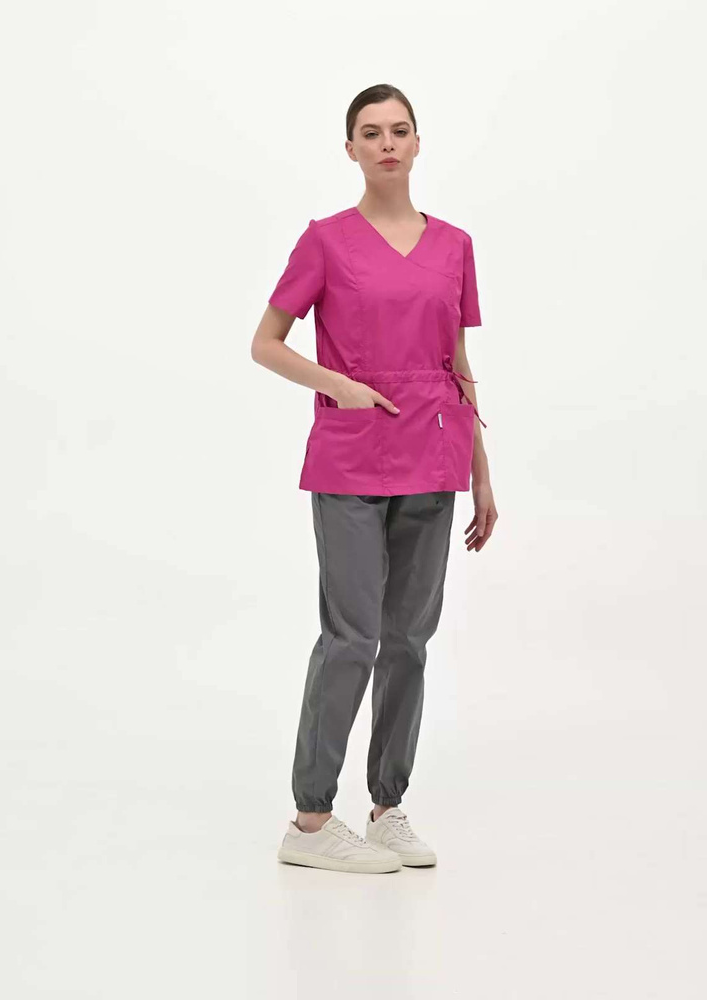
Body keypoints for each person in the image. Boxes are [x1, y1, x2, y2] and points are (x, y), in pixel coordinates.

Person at [251, 84, 498, 874]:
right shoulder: (325, 241)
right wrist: (340, 385)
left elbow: (458, 362)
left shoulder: (454, 245)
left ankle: (388, 808)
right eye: (371, 132)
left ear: (418, 143)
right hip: (352, 455)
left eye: (399, 130)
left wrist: (481, 472)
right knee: (351, 637)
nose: (387, 143)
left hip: (434, 452)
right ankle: (311, 822)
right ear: (350, 148)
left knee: (409, 643)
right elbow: (266, 342)